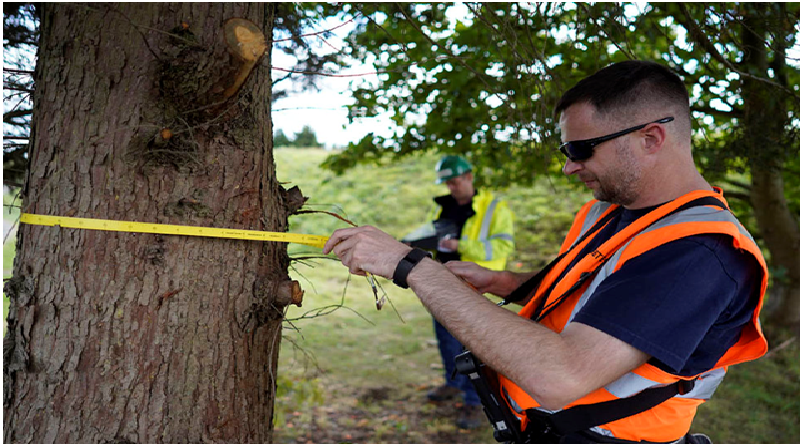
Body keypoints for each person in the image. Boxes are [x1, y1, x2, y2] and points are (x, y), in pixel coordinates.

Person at [323, 60, 768, 443]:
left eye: (581, 149)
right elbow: (600, 297)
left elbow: (562, 377)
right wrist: (507, 284)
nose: (569, 165)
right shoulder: (616, 213)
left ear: (651, 138)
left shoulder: (698, 252)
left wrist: (413, 267)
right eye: (565, 149)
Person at [404, 154, 514, 429]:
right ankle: (452, 384)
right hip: (443, 282)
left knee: (472, 346)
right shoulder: (443, 207)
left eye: (454, 182)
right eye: (447, 184)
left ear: (469, 177)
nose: (451, 188)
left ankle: (475, 402)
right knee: (446, 340)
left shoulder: (495, 208)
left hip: (478, 285)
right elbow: (432, 235)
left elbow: (501, 248)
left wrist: (461, 246)